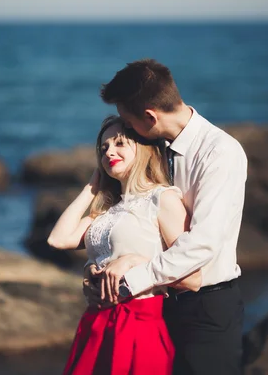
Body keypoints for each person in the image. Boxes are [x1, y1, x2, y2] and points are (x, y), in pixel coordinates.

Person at [87, 58, 248, 375]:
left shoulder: (219, 153)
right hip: (161, 307)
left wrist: (128, 281)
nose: (127, 128)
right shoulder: (154, 147)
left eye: (127, 120)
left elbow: (202, 244)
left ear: (149, 116)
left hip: (206, 309)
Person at [48, 115, 201, 375]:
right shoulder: (104, 212)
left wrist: (133, 261)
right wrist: (91, 187)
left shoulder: (162, 199)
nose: (110, 152)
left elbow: (192, 276)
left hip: (139, 323)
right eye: (104, 147)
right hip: (96, 323)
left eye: (119, 143)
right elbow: (58, 239)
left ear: (142, 148)